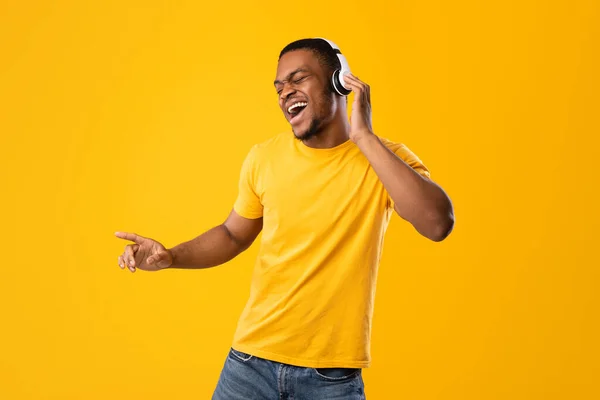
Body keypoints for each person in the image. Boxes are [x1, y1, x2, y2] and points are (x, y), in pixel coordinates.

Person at [115, 38, 454, 399]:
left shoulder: (385, 160)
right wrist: (171, 256)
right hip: (250, 363)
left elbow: (437, 224)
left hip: (332, 378)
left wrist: (364, 136)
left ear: (340, 81)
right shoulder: (264, 157)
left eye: (298, 79)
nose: (285, 93)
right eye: (279, 87)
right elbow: (232, 235)